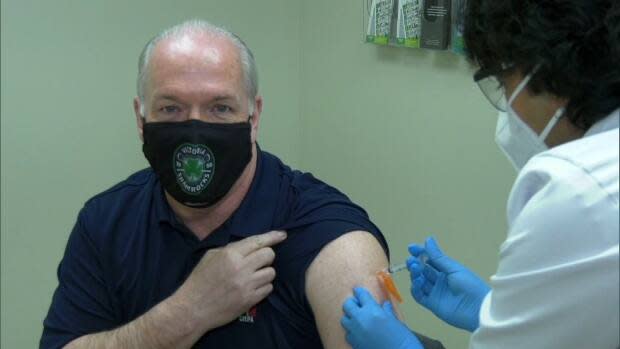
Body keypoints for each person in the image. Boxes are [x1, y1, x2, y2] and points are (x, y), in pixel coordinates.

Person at [39, 19, 444, 349]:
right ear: (140, 118)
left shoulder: (330, 238)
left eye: (220, 108)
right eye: (171, 108)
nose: (194, 128)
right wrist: (187, 312)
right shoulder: (106, 221)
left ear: (254, 116)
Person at [341, 0, 619, 348]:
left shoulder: (575, 193)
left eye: (504, 84)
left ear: (546, 70)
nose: (508, 111)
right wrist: (490, 310)